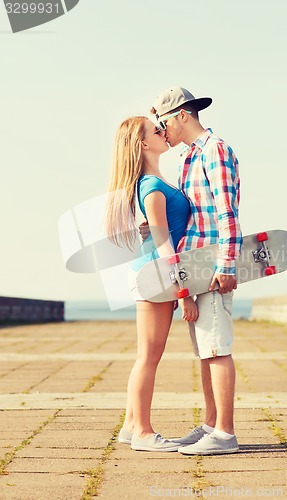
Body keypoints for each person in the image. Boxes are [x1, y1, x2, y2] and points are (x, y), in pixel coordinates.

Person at [146, 87, 242, 455]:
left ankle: (226, 434)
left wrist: (226, 264)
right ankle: (211, 425)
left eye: (164, 122)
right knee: (206, 350)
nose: (162, 130)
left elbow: (226, 211)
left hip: (213, 264)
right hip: (195, 265)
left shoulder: (214, 150)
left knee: (216, 348)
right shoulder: (189, 158)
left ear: (182, 116)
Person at [104, 116, 198, 452]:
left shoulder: (156, 182)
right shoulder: (152, 186)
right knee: (148, 357)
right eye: (157, 131)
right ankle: (143, 432)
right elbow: (163, 244)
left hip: (155, 274)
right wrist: (183, 291)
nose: (164, 132)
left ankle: (131, 426)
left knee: (149, 355)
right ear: (143, 144)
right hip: (154, 276)